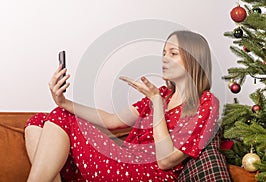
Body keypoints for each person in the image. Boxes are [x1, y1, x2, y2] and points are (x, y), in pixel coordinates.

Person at [24, 30, 221, 181]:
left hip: (148, 173)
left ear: (194, 59)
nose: (165, 58)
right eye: (163, 53)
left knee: (61, 116)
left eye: (173, 53)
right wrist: (64, 102)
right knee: (40, 120)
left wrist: (157, 104)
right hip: (125, 160)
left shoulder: (206, 103)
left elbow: (165, 160)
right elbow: (111, 120)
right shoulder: (161, 93)